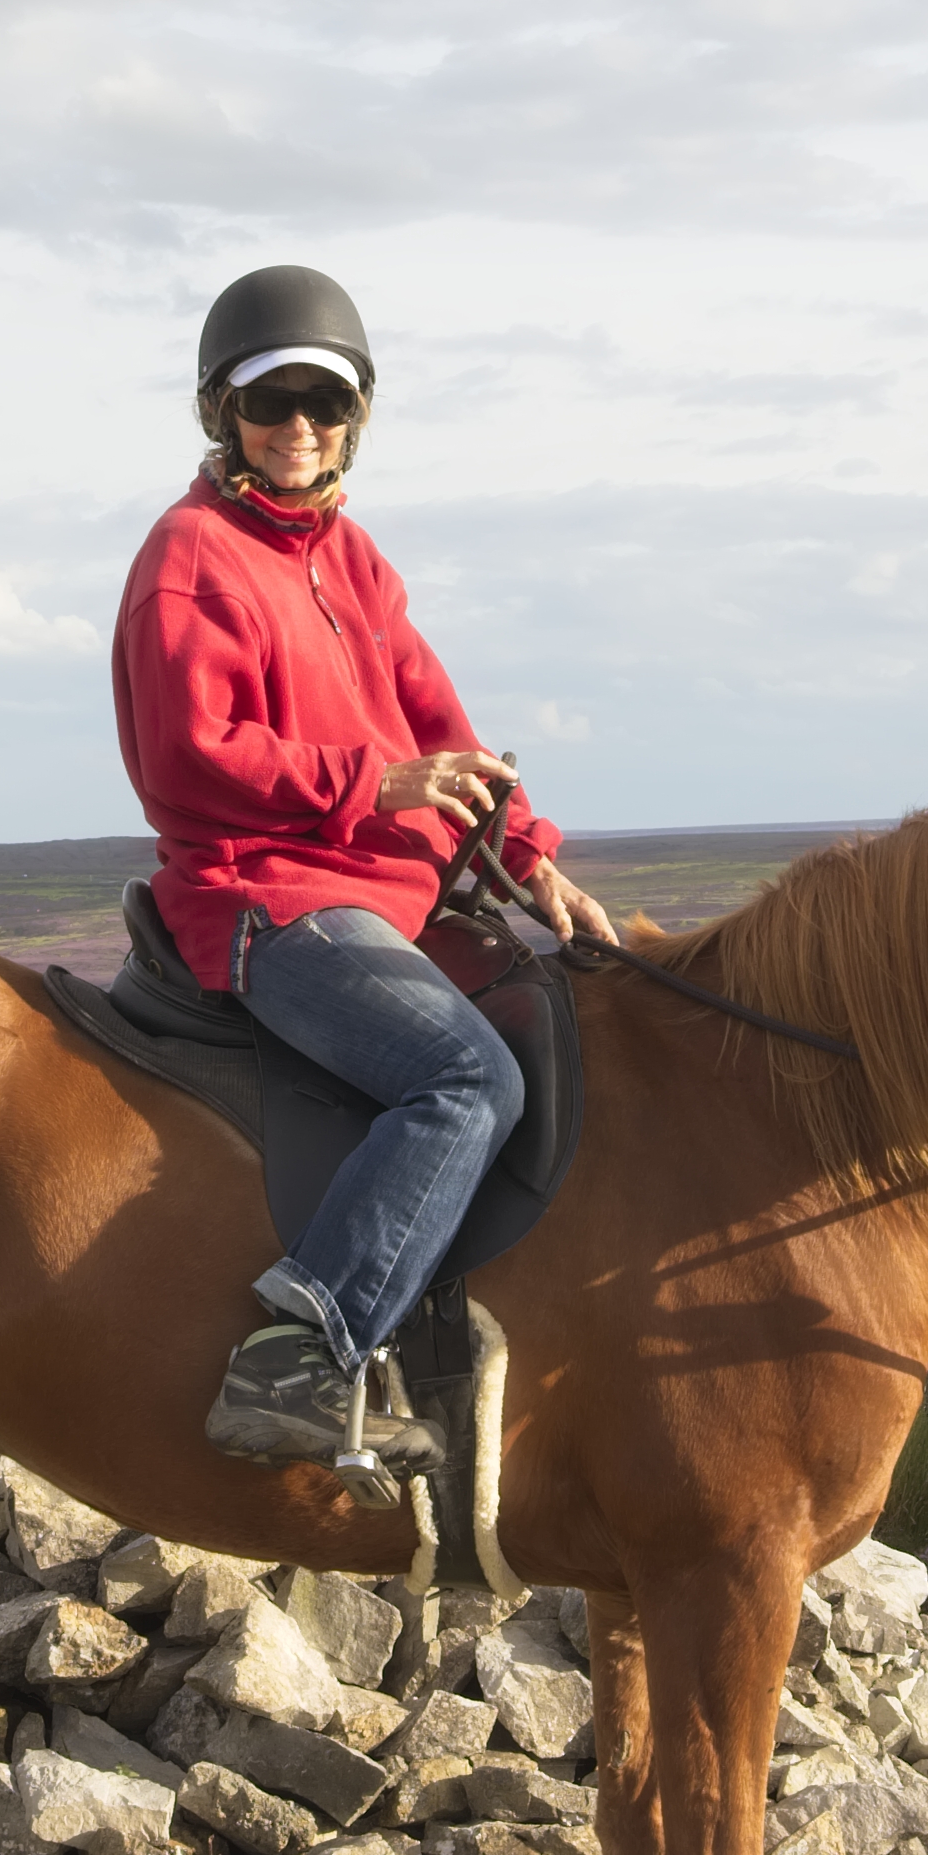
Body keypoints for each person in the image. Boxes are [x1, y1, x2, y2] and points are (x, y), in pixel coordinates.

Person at [110, 264, 615, 1470]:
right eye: (269, 402)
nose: (298, 429)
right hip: (267, 897)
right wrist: (367, 784)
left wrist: (534, 857)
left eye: (324, 407)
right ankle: (303, 1349)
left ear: (357, 419)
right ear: (218, 414)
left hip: (390, 892)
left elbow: (442, 720)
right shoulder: (191, 556)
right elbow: (187, 755)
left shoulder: (352, 559)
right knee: (464, 1081)